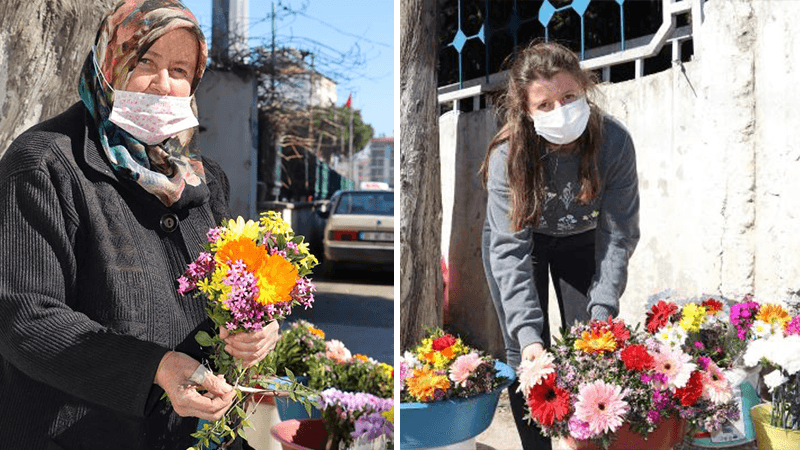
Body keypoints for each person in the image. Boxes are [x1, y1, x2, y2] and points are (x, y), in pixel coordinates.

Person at [0, 1, 279, 448]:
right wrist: (157, 367)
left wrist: (255, 327)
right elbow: (24, 318)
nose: (164, 86)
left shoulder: (205, 178)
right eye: (145, 61)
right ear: (110, 61)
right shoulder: (45, 164)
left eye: (180, 69)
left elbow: (234, 288)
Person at [481, 42, 640, 449]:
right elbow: (509, 251)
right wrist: (529, 336)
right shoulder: (508, 153)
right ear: (526, 110)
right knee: (526, 353)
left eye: (568, 97)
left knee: (588, 345)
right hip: (521, 245)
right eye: (545, 104)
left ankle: (583, 441)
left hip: (582, 241)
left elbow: (618, 234)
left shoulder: (615, 143)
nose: (561, 111)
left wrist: (603, 307)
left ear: (586, 88)